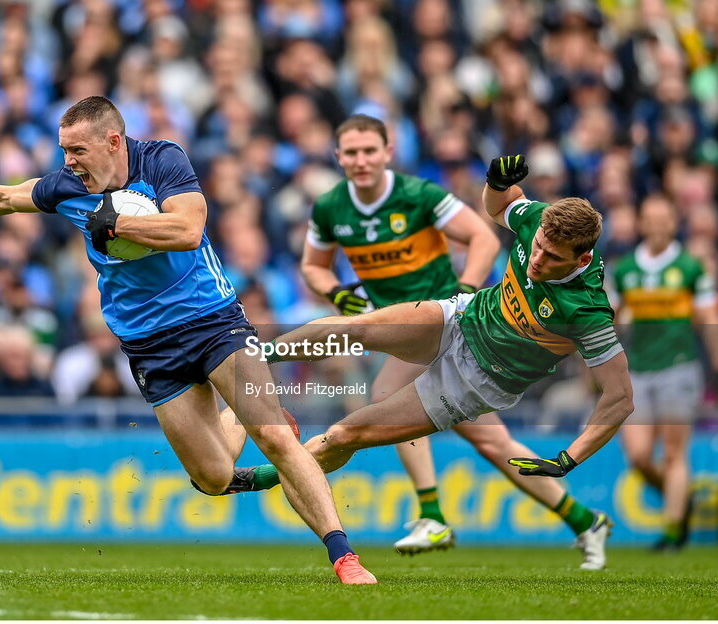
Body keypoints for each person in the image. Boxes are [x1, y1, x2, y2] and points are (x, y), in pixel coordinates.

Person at [0, 95, 376, 584]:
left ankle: (343, 556)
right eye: (64, 150)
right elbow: (0, 197)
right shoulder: (66, 186)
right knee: (214, 479)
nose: (68, 161)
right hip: (149, 343)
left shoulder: (162, 161)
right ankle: (238, 429)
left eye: (76, 149)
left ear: (113, 141)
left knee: (275, 437)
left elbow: (189, 230)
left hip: (212, 319)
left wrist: (120, 221)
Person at [214, 154, 634, 571]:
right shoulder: (538, 220)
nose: (536, 261)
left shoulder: (588, 310)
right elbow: (499, 207)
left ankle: (262, 479)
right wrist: (495, 182)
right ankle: (246, 356)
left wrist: (569, 458)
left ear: (580, 260)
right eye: (537, 247)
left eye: (552, 259)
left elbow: (619, 398)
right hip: (463, 318)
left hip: (477, 380)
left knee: (345, 433)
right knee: (354, 329)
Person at [299, 115, 612, 564]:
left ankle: (432, 514)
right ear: (337, 157)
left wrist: (465, 288)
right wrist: (335, 292)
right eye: (351, 152)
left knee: (385, 395)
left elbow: (482, 236)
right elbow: (313, 266)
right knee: (494, 444)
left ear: (388, 152)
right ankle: (585, 520)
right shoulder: (330, 207)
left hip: (438, 325)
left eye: (370, 150)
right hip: (393, 327)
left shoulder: (420, 195)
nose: (361, 160)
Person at [608, 195, 718, 551]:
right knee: (639, 457)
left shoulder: (690, 268)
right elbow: (608, 314)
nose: (657, 225)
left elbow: (709, 316)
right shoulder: (625, 270)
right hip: (638, 370)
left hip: (678, 366)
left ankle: (673, 529)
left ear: (674, 223)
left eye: (664, 218)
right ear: (641, 223)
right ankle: (680, 500)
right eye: (650, 218)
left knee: (674, 453)